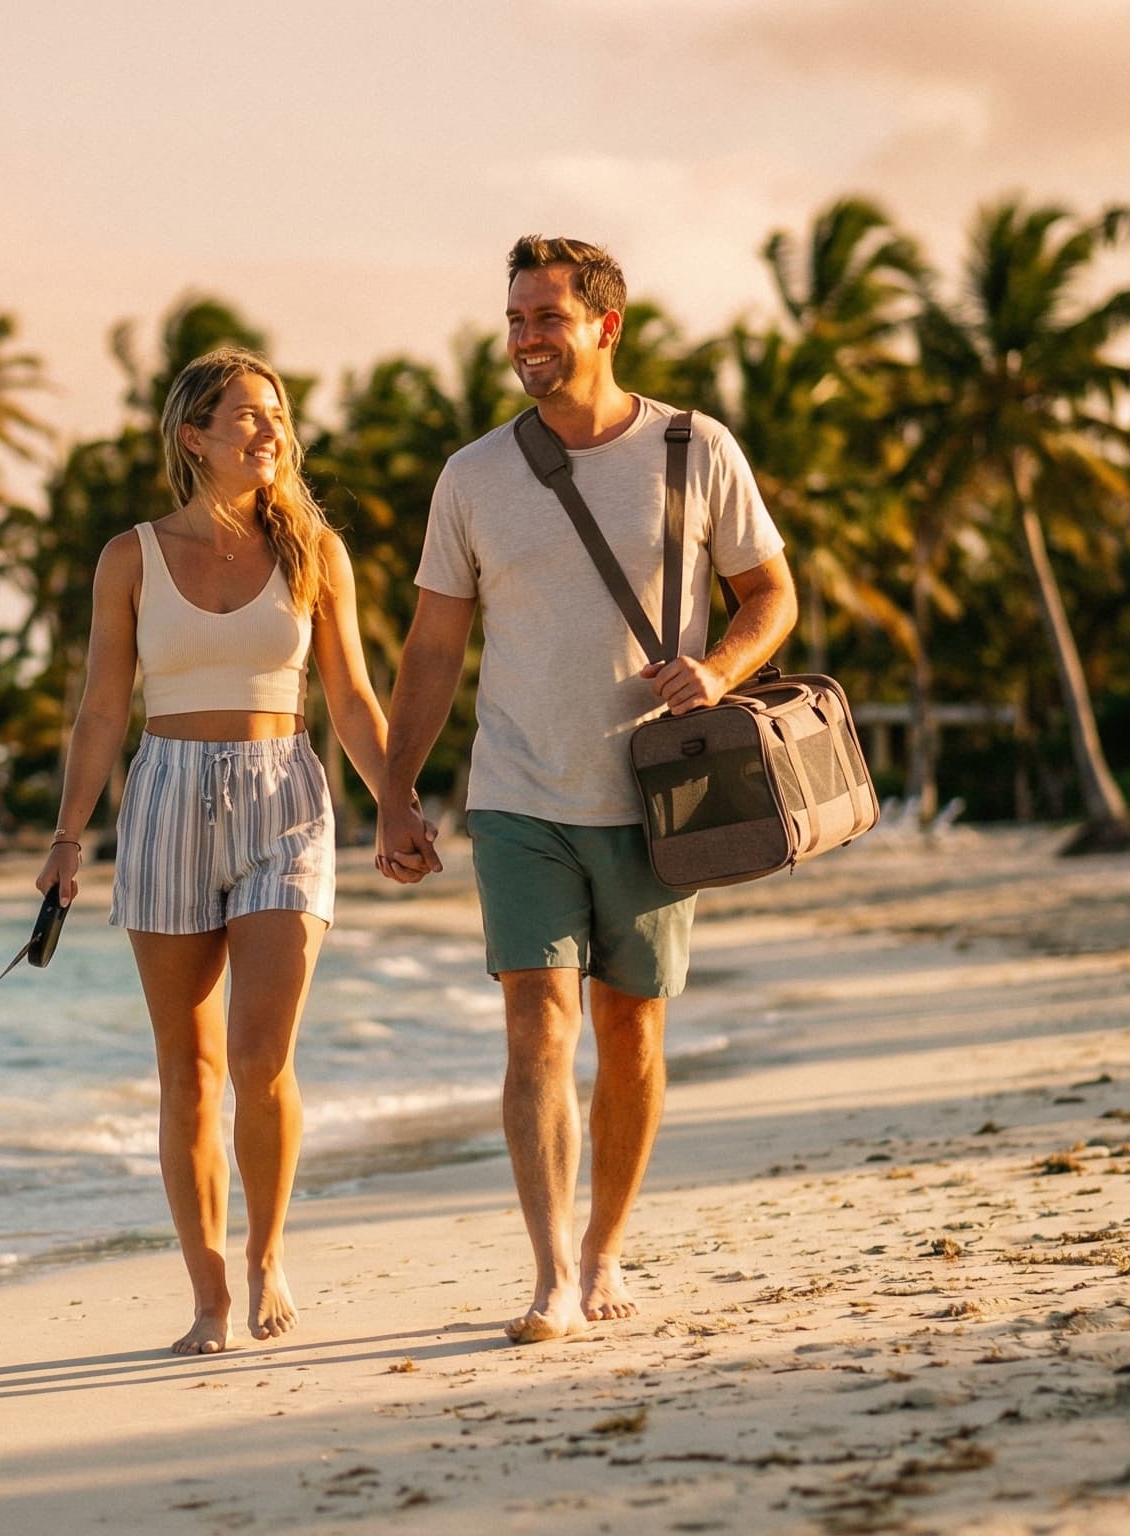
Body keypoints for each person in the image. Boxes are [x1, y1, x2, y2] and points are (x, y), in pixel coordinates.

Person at [377, 236, 797, 1343]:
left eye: (546, 319)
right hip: (517, 793)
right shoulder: (471, 476)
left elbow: (770, 598)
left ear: (605, 326)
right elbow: (431, 650)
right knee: (537, 1030)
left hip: (661, 797)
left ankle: (607, 1245)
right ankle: (551, 1272)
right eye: (515, 319)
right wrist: (394, 790)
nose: (524, 339)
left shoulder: (694, 448)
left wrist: (715, 670)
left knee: (633, 1034)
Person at [36, 345, 435, 1355]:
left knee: (260, 1059)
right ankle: (207, 1290)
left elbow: (350, 696)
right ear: (194, 436)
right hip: (165, 796)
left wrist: (396, 803)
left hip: (283, 800)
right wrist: (66, 837)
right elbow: (100, 710)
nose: (268, 431)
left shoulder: (314, 552)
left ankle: (265, 1258)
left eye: (275, 415)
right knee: (189, 1068)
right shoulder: (129, 557)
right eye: (245, 416)